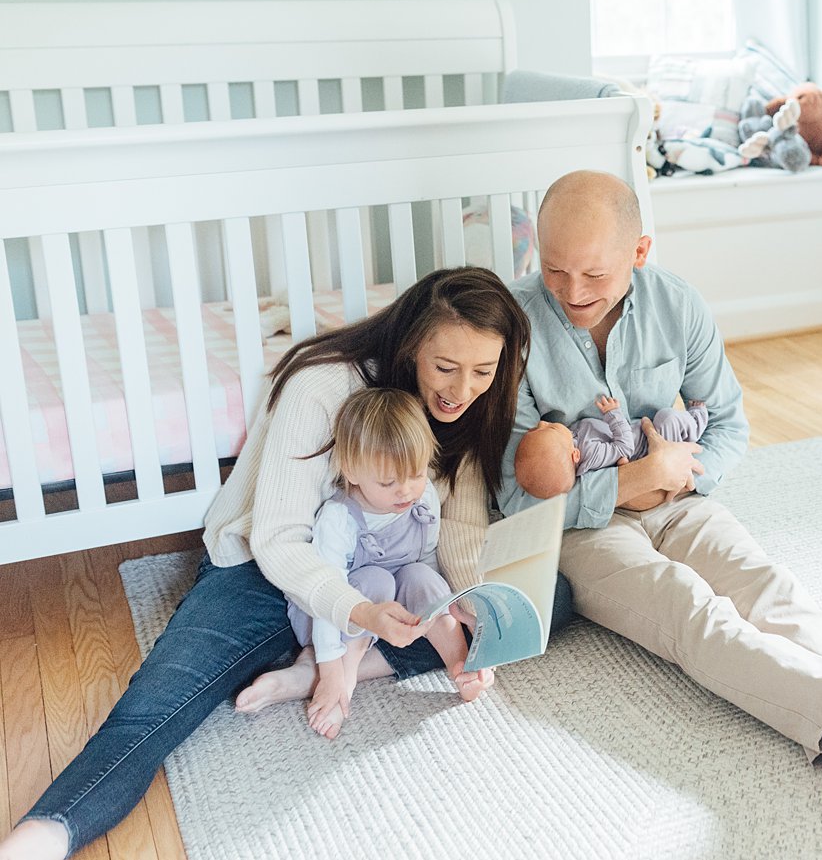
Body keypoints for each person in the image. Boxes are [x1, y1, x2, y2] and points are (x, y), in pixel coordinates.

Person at [0, 267, 572, 860]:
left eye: (483, 371)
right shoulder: (323, 387)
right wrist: (360, 611)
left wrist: (472, 601)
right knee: (163, 699)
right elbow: (277, 540)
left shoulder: (470, 405)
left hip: (393, 569)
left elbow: (458, 521)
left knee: (544, 599)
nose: (462, 389)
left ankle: (322, 667)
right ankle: (47, 832)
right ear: (410, 348)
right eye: (445, 368)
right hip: (269, 572)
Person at [499, 170, 822, 813]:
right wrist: (629, 482)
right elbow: (515, 497)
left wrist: (678, 474)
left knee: (764, 583)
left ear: (640, 253)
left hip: (680, 497)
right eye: (556, 270)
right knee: (686, 606)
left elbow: (728, 422)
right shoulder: (513, 326)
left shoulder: (677, 305)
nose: (571, 291)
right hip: (583, 529)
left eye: (594, 275)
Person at [289, 387, 492, 740]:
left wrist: (449, 607)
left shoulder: (422, 496)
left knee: (421, 575)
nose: (405, 491)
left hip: (393, 613)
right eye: (388, 482)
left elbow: (426, 558)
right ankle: (342, 680)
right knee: (377, 580)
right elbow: (323, 598)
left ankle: (461, 665)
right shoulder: (339, 518)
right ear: (351, 471)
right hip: (330, 616)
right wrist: (330, 667)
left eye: (416, 474)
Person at [513, 394, 708, 499]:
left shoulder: (572, 445)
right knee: (668, 418)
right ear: (575, 455)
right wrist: (613, 414)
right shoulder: (591, 453)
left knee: (667, 418)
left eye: (535, 430)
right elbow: (625, 448)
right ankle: (699, 420)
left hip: (640, 432)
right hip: (647, 446)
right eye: (551, 429)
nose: (541, 423)